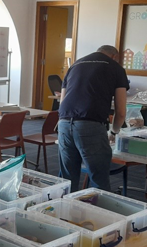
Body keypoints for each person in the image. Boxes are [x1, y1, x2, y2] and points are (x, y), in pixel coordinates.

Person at [57, 45, 129, 192]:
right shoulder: (115, 68)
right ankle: (97, 214)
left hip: (64, 123)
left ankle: (65, 212)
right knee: (99, 178)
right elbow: (121, 112)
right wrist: (114, 132)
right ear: (114, 56)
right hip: (90, 124)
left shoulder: (75, 65)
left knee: (67, 178)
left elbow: (62, 102)